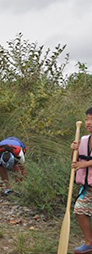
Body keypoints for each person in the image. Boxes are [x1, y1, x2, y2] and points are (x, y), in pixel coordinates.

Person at [71, 107, 92, 254]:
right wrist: (73, 150)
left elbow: (84, 163)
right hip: (88, 186)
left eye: (91, 119)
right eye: (87, 119)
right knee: (79, 209)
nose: (88, 122)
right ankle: (89, 242)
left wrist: (86, 164)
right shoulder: (84, 139)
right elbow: (74, 161)